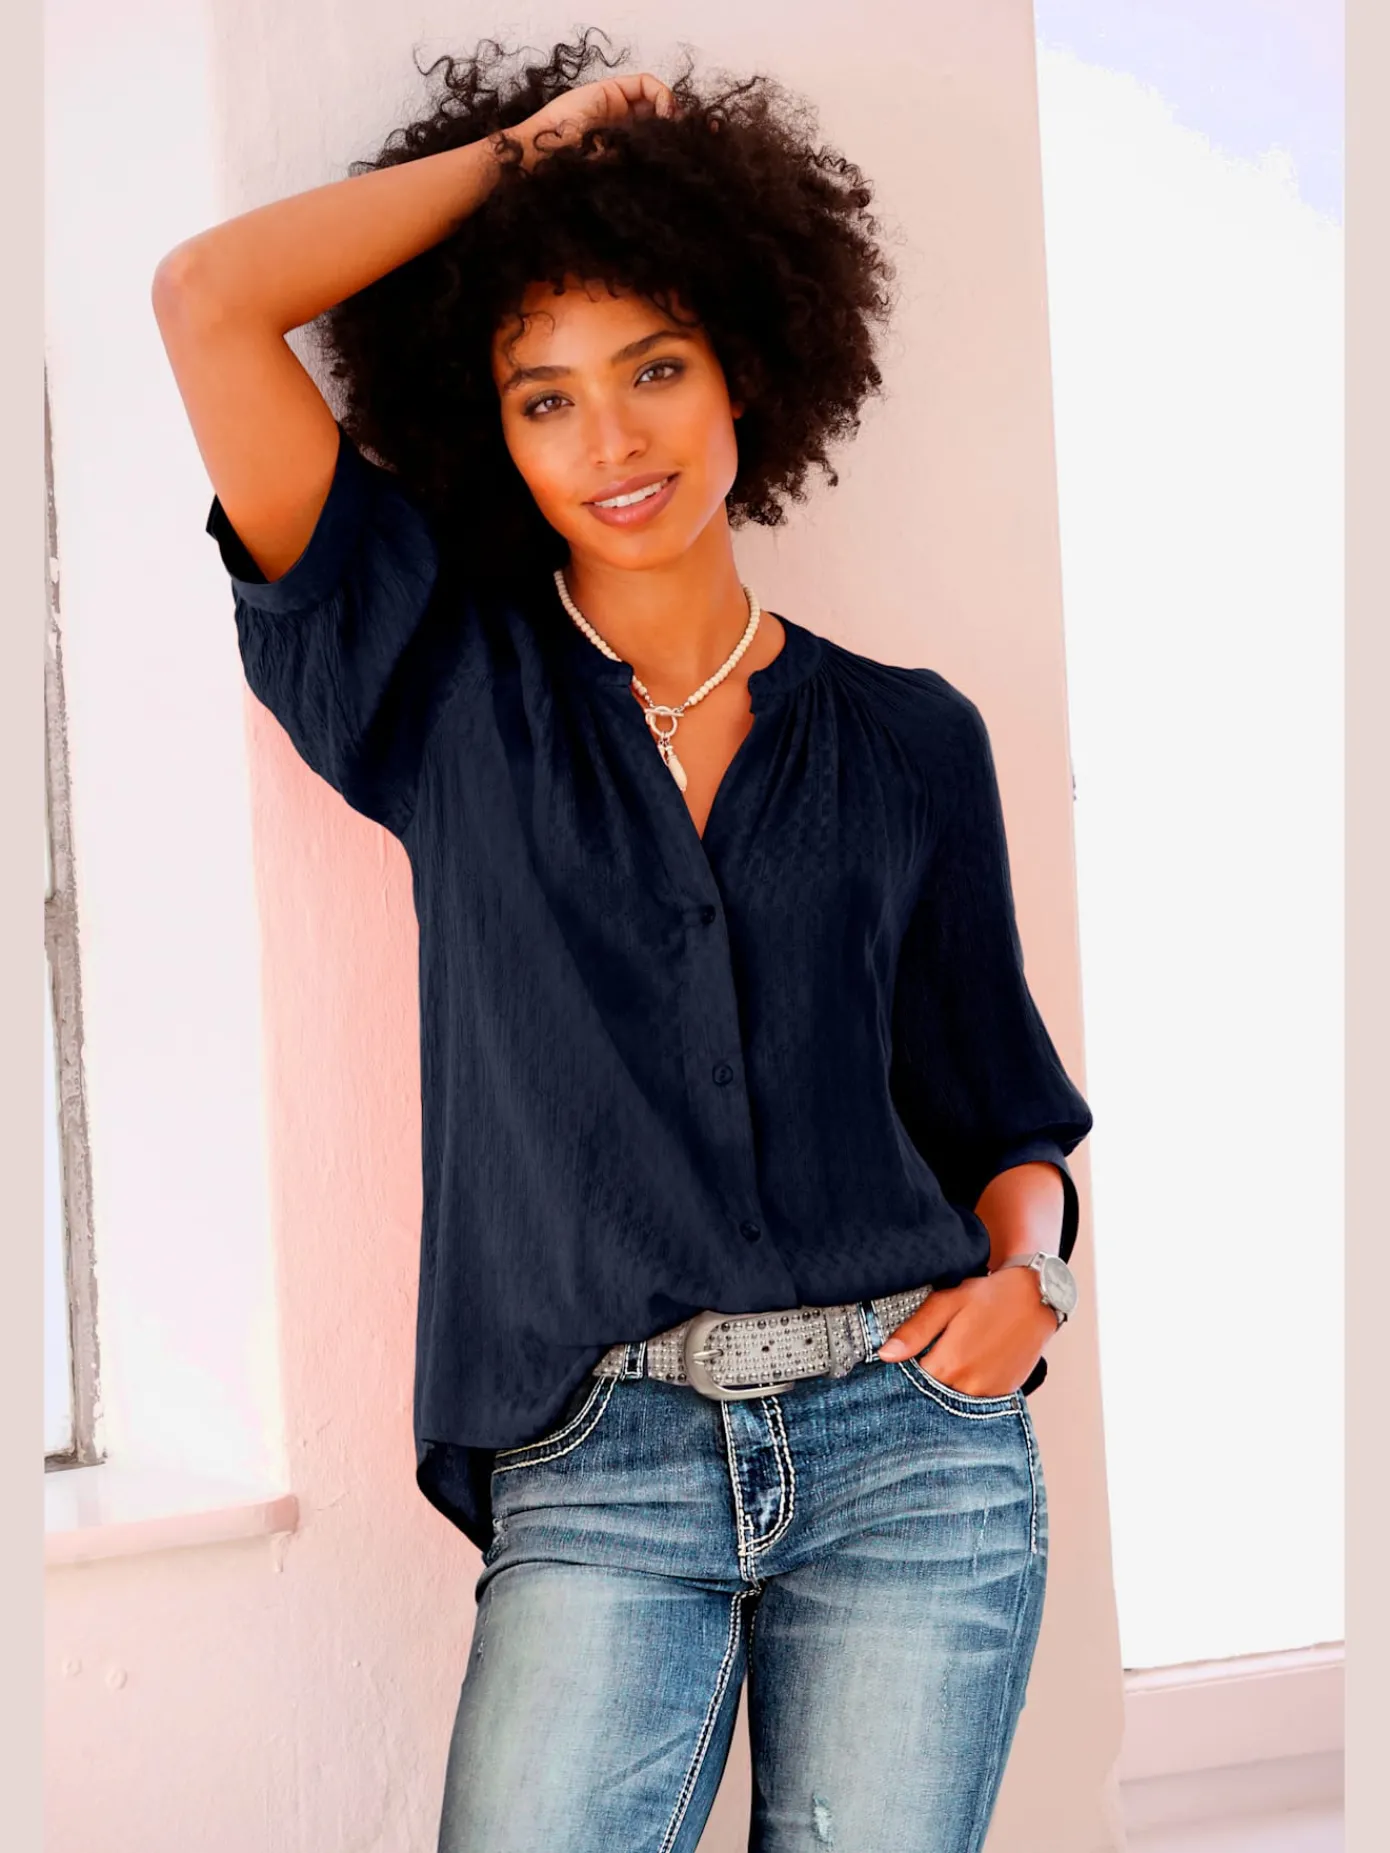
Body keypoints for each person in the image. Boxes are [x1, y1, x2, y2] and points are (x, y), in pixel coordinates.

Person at [153, 30, 1093, 1853]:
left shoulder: (910, 739)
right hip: (603, 1466)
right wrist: (536, 155)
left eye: (653, 367)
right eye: (544, 396)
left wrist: (1029, 1282)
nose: (612, 441)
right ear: (489, 431)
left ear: (745, 364)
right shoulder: (433, 681)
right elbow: (209, 299)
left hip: (916, 1451)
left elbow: (1003, 1114)